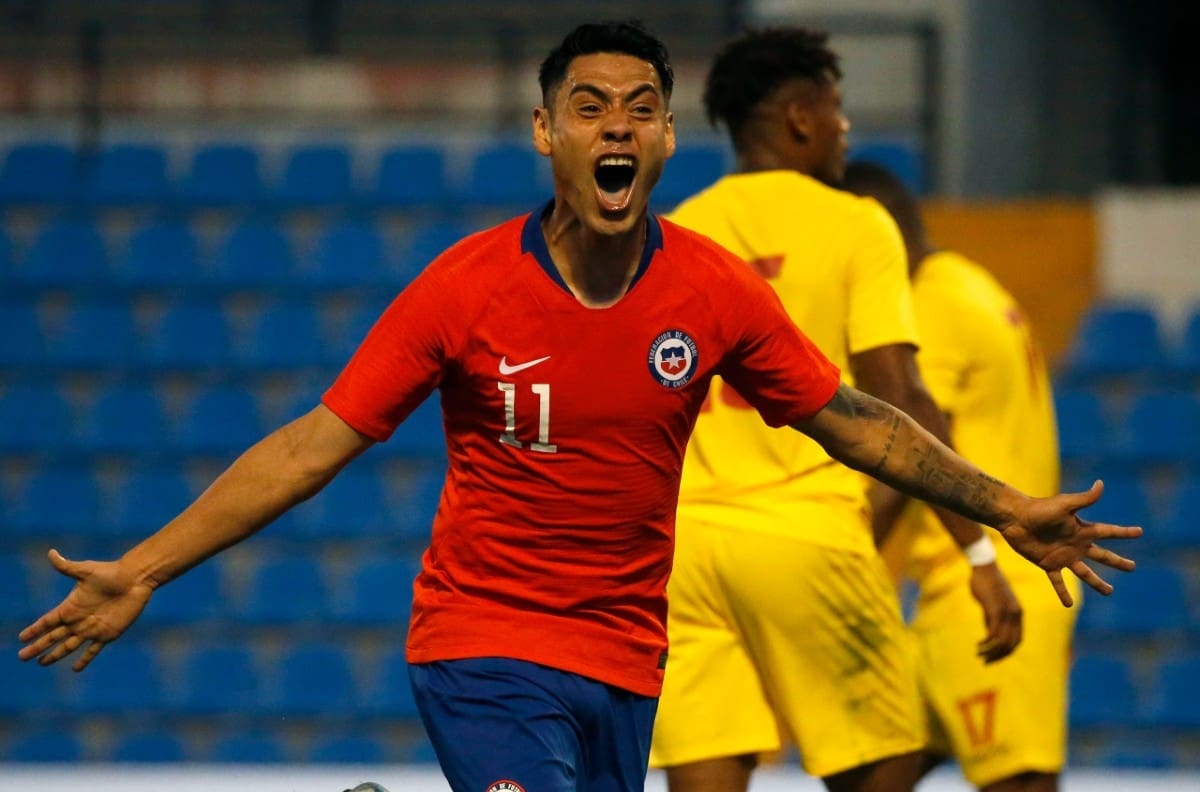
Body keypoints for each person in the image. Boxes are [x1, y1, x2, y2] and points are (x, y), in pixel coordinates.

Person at [18, 21, 1136, 792]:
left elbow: (851, 417)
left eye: (640, 110)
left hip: (625, 655)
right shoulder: (466, 288)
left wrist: (1001, 509)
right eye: (589, 107)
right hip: (482, 643)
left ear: (661, 143)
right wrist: (145, 568)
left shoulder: (709, 288)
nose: (616, 127)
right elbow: (316, 444)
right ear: (545, 133)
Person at [648, 26, 1047, 792]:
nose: (844, 130)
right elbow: (902, 403)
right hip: (807, 529)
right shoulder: (856, 223)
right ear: (801, 118)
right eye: (837, 111)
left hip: (684, 546)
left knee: (707, 765)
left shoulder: (673, 235)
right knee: (892, 756)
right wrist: (980, 551)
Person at [841, 160, 1080, 792]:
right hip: (962, 586)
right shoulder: (969, 282)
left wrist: (839, 562)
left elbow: (908, 452)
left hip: (987, 584)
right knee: (875, 774)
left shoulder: (927, 305)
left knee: (1019, 783)